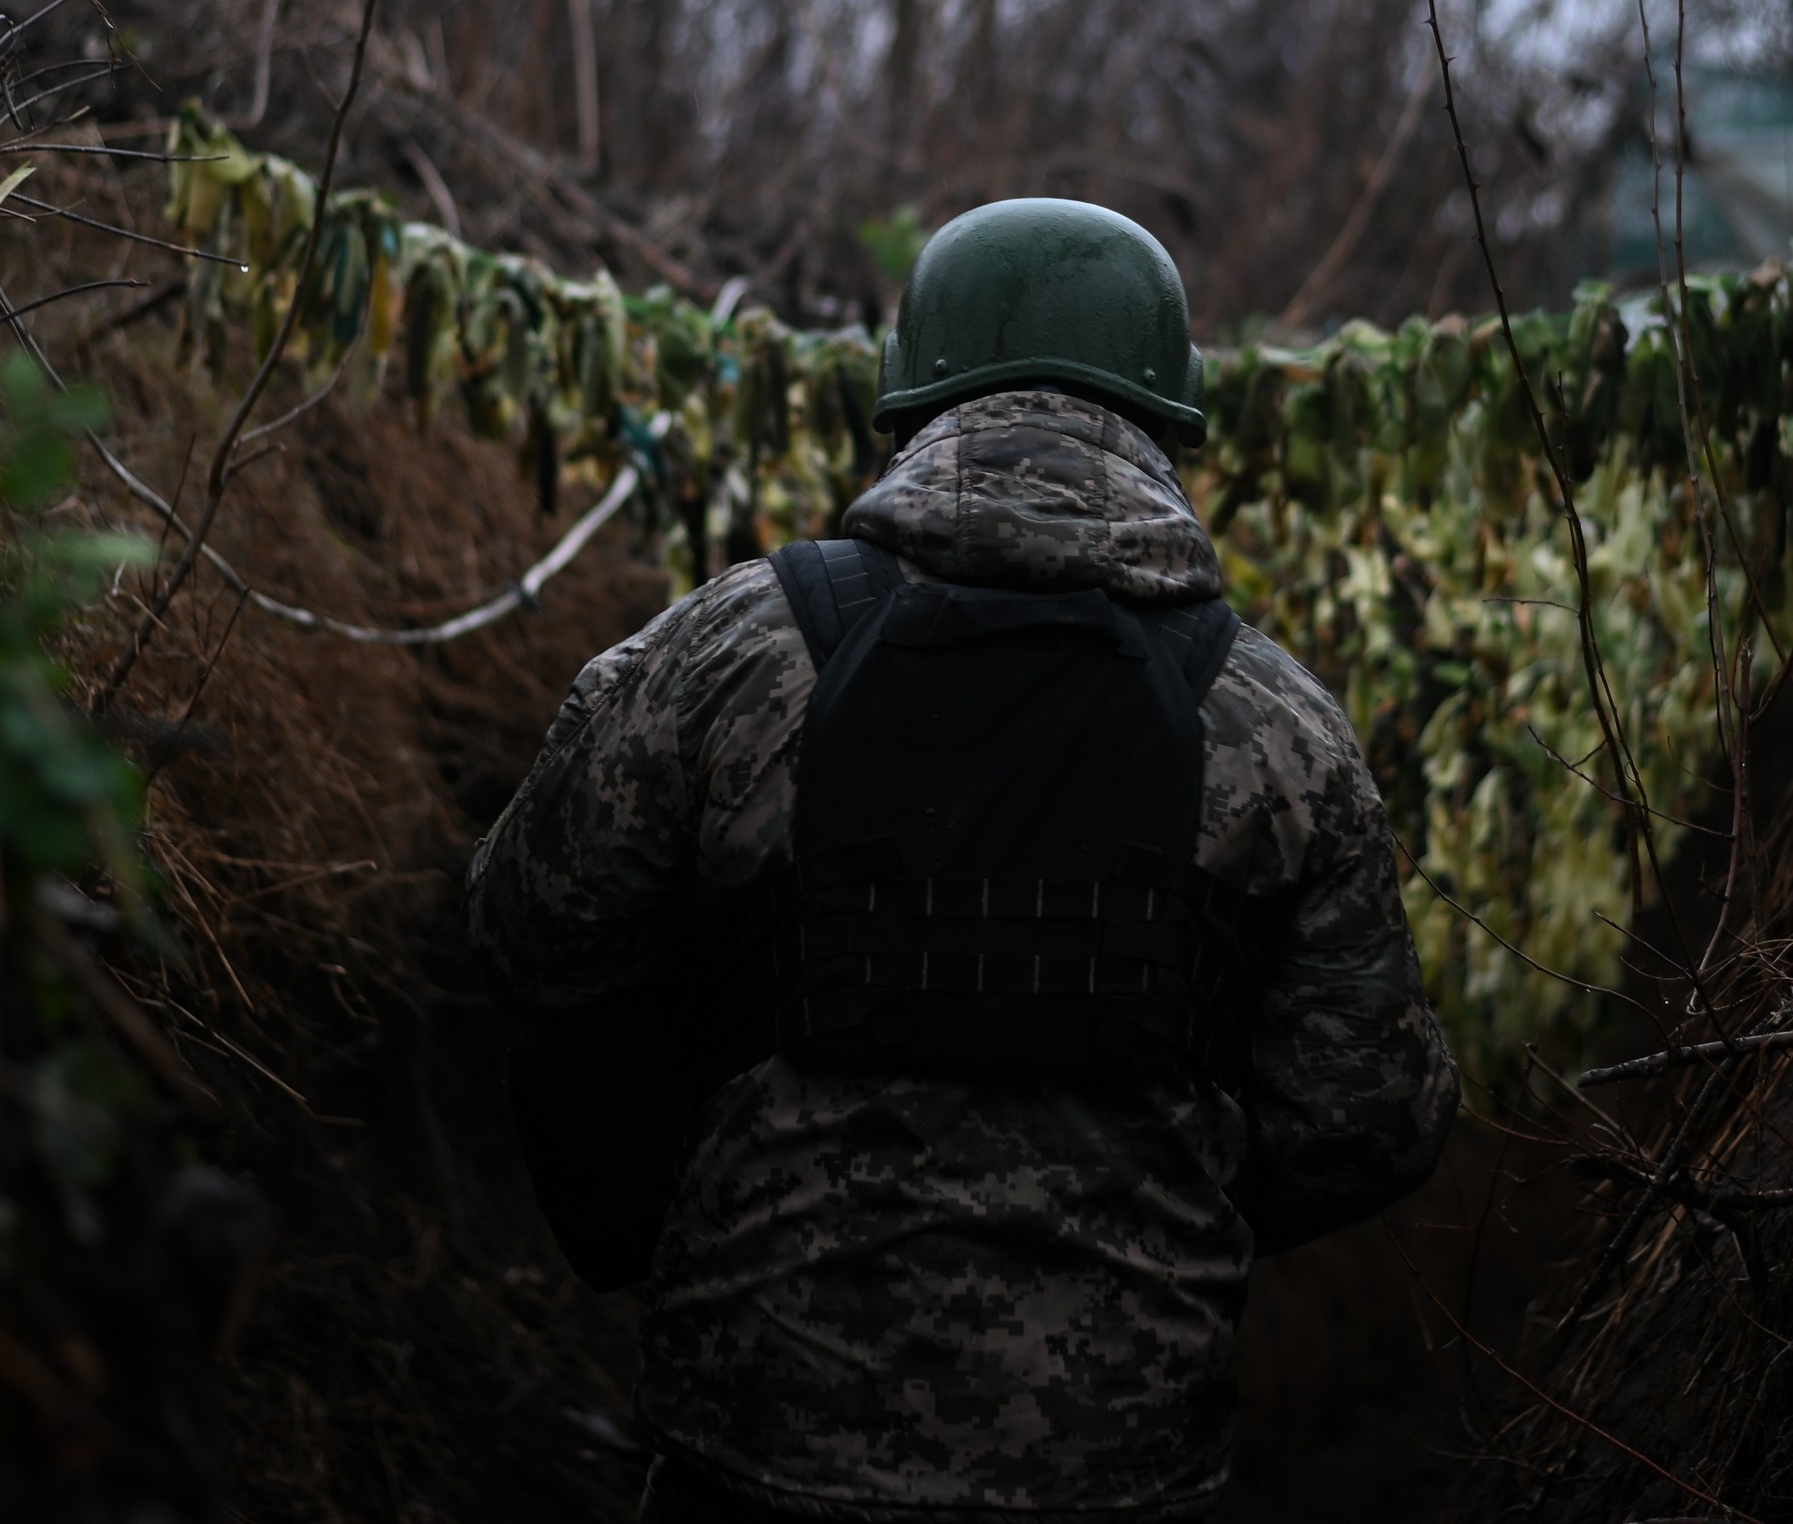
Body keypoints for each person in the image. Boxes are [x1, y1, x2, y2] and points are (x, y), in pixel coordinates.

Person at [467, 197, 1458, 1522]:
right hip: (1122, 1465)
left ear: (915, 400)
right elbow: (1370, 1116)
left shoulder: (728, 653)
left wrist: (683, 1156)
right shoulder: (1282, 728)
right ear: (1170, 424)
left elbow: (525, 926)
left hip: (759, 1442)